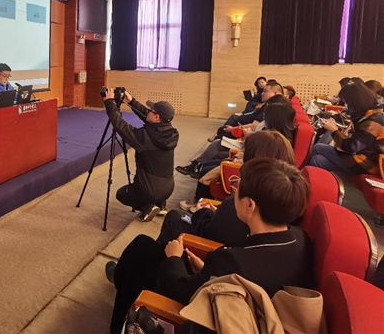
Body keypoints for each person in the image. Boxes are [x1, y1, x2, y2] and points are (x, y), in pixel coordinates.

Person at [106, 158, 313, 334]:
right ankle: (122, 276)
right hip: (242, 304)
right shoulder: (300, 238)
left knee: (141, 250)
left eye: (238, 187)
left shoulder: (232, 261)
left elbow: (184, 293)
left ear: (250, 205)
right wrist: (207, 270)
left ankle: (120, 313)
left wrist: (175, 258)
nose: (234, 191)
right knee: (143, 251)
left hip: (203, 318)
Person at [163, 130, 296, 248]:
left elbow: (211, 232)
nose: (242, 154)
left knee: (174, 216)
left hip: (212, 247)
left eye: (245, 152)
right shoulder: (288, 195)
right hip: (235, 236)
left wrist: (202, 212)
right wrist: (219, 213)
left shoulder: (242, 197)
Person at [176, 86, 286, 178]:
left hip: (247, 147)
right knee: (219, 141)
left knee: (217, 144)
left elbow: (257, 136)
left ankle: (197, 165)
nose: (262, 93)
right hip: (247, 142)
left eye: (265, 91)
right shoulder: (267, 112)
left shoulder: (273, 125)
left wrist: (238, 131)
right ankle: (198, 165)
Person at [103, 90, 178, 222]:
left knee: (121, 194)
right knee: (157, 181)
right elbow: (148, 117)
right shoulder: (170, 132)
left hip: (150, 191)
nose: (148, 111)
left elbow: (121, 126)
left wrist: (109, 103)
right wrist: (131, 102)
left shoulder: (145, 137)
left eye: (151, 110)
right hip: (168, 190)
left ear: (157, 117)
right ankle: (161, 205)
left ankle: (147, 207)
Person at [308, 82, 384, 178]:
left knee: (317, 153)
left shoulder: (374, 120)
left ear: (355, 102)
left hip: (367, 164)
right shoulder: (369, 116)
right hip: (361, 158)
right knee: (317, 156)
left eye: (346, 103)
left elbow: (352, 146)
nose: (345, 106)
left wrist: (334, 130)